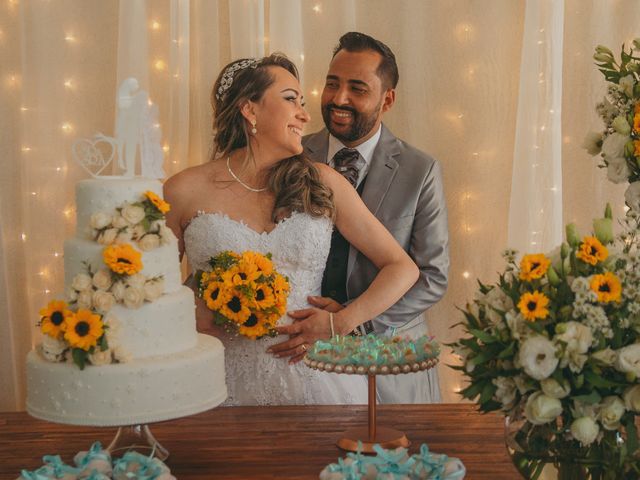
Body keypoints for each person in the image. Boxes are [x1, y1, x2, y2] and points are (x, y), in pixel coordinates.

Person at [164, 53, 419, 406]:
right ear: (249, 110)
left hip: (316, 378)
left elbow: (402, 268)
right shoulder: (182, 190)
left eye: (302, 102)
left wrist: (341, 323)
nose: (305, 114)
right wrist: (189, 306)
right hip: (214, 380)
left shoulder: (324, 182)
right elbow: (149, 288)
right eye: (290, 100)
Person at [298, 32, 449, 404]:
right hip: (301, 358)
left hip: (389, 364)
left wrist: (351, 321)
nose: (338, 98)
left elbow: (433, 275)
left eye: (357, 88)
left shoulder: (420, 169)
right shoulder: (293, 156)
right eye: (332, 84)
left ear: (388, 99)